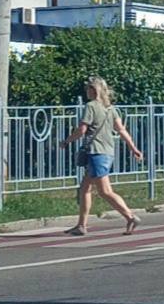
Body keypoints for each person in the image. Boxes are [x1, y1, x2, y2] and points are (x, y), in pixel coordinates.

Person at [60, 76, 143, 236]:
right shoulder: (111, 109)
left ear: (93, 90)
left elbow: (82, 130)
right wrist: (133, 148)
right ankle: (81, 225)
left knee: (105, 191)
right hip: (106, 152)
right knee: (85, 188)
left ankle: (130, 216)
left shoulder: (90, 106)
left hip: (96, 152)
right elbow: (121, 130)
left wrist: (66, 141)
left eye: (88, 89)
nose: (86, 92)